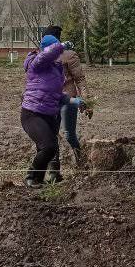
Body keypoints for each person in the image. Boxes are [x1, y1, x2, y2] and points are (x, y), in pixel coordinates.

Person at [21, 30, 83, 188]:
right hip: (32, 113)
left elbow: (58, 95)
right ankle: (31, 177)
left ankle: (38, 180)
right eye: (57, 51)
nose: (59, 55)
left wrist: (77, 101)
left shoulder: (57, 69)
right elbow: (45, 56)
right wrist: (60, 45)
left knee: (51, 148)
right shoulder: (36, 63)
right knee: (48, 146)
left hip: (49, 115)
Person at [49, 38, 89, 178]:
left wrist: (85, 100)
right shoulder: (44, 56)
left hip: (68, 99)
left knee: (69, 134)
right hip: (51, 100)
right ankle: (55, 172)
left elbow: (80, 79)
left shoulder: (69, 55)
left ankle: (81, 162)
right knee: (51, 134)